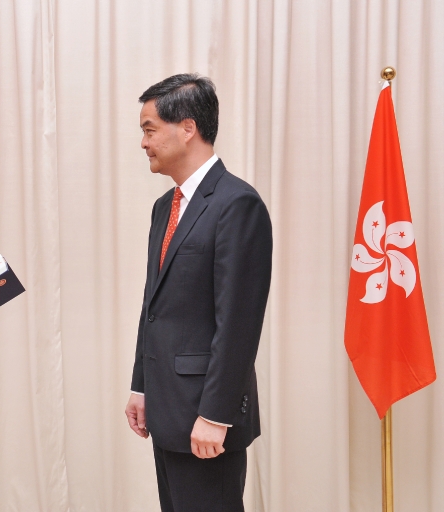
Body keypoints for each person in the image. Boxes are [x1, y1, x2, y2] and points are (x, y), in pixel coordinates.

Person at [125, 74, 272, 511]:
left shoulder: (237, 204)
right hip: (167, 411)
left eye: (150, 130)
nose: (143, 143)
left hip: (207, 420)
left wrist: (216, 415)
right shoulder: (164, 208)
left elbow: (239, 324)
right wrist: (141, 387)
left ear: (187, 128)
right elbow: (154, 305)